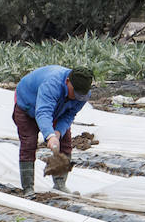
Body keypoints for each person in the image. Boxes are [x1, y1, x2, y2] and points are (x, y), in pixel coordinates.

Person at [13, 65, 93, 196]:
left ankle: (60, 185)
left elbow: (69, 115)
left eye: (81, 95)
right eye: (75, 92)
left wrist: (58, 132)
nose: (77, 97)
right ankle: (28, 188)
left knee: (65, 143)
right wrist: (50, 135)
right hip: (28, 105)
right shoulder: (52, 84)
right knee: (29, 143)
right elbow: (43, 112)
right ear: (67, 81)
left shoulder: (82, 95)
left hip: (57, 110)